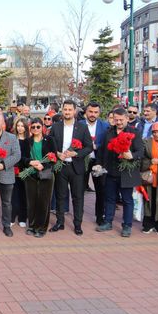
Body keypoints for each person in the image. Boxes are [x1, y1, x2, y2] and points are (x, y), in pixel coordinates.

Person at [95, 108, 144, 237]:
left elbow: (140, 151)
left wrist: (131, 155)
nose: (118, 122)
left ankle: (127, 225)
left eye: (121, 120)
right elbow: (101, 151)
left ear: (127, 119)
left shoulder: (134, 132)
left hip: (126, 172)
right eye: (116, 120)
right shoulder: (109, 132)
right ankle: (108, 221)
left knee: (127, 200)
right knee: (110, 198)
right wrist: (98, 163)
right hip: (110, 171)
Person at [49, 100, 93, 236]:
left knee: (78, 197)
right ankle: (60, 222)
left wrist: (76, 153)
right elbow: (49, 144)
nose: (67, 112)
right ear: (62, 111)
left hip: (76, 167)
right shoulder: (55, 127)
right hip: (61, 166)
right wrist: (57, 153)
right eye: (65, 109)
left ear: (75, 111)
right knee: (60, 196)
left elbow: (89, 147)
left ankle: (77, 224)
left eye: (69, 110)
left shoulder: (82, 127)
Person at [20, 118, 57, 238]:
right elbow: (22, 158)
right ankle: (32, 226)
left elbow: (54, 157)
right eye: (33, 127)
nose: (36, 129)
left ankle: (41, 228)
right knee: (31, 202)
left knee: (44, 202)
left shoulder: (49, 140)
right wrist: (30, 162)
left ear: (42, 127)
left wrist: (44, 165)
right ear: (30, 128)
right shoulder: (27, 141)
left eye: (38, 127)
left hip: (45, 174)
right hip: (30, 175)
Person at [81, 102, 110, 225]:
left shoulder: (105, 126)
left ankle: (99, 217)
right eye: (90, 112)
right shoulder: (79, 125)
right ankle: (78, 216)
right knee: (79, 190)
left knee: (100, 190)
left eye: (95, 112)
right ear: (86, 112)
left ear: (99, 113)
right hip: (82, 161)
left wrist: (96, 146)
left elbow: (107, 144)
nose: (92, 114)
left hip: (98, 162)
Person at [11, 117, 30, 228]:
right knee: (13, 195)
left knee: (23, 194)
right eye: (18, 126)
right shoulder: (12, 139)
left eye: (22, 126)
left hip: (25, 170)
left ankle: (23, 217)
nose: (20, 128)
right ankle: (12, 216)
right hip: (13, 170)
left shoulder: (29, 141)